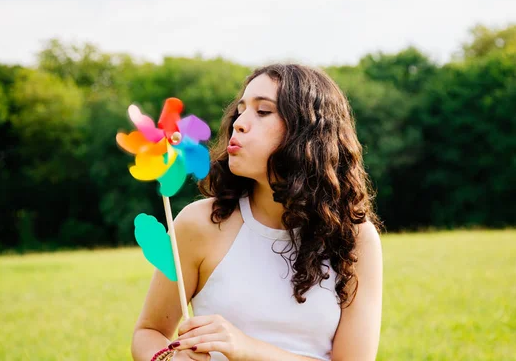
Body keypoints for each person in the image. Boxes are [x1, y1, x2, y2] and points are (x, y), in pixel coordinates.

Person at [131, 64, 383, 361]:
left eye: (262, 111)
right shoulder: (199, 223)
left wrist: (248, 349)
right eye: (241, 110)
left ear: (308, 130)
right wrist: (168, 359)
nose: (239, 122)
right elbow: (149, 331)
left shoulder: (355, 237)